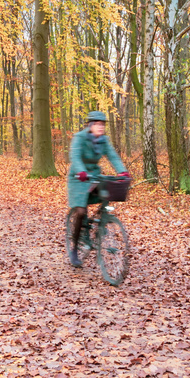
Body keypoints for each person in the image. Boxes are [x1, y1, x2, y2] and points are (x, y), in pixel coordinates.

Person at [66, 110, 130, 267]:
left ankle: (100, 224)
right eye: (97, 124)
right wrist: (81, 171)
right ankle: (75, 249)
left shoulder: (104, 140)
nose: (101, 128)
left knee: (106, 194)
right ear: (90, 125)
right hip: (78, 176)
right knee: (81, 211)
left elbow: (112, 155)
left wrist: (122, 171)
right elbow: (74, 157)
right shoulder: (79, 138)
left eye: (103, 125)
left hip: (94, 175)